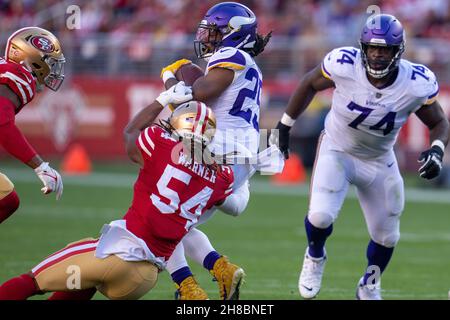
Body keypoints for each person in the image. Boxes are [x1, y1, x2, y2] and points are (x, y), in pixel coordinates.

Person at [0, 94, 247, 300]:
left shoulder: (160, 143)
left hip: (122, 254)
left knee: (31, 281)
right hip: (145, 278)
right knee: (83, 280)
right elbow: (231, 201)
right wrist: (245, 179)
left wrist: (162, 100)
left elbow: (130, 133)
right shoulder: (220, 178)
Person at [271, 14, 449, 300]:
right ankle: (315, 255)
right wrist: (284, 125)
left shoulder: (415, 83)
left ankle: (369, 284)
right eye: (372, 48)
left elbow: (438, 122)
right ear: (362, 48)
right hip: (338, 149)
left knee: (387, 236)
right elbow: (308, 83)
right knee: (320, 216)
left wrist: (438, 150)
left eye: (385, 49)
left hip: (379, 159)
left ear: (398, 51)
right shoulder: (343, 64)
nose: (377, 55)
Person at [130, 2, 272, 300]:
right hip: (239, 156)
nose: (207, 36)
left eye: (214, 31)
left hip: (219, 151)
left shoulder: (232, 54)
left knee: (159, 216)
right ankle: (221, 269)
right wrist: (178, 75)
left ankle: (188, 288)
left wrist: (173, 78)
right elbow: (200, 91)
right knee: (175, 218)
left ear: (234, 34)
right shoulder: (244, 62)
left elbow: (203, 92)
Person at [0, 27, 65, 224]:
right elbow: (2, 121)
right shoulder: (19, 75)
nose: (53, 70)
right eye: (51, 63)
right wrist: (40, 166)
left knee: (7, 197)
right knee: (6, 199)